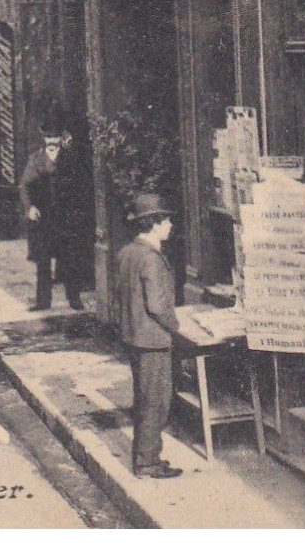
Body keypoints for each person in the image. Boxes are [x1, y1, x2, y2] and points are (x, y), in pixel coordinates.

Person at [116, 193, 183, 479]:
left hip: (134, 336)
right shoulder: (151, 259)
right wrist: (178, 327)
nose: (170, 225)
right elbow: (156, 305)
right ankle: (147, 461)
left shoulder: (127, 252)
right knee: (156, 400)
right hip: (152, 339)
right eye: (165, 219)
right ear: (154, 223)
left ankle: (146, 456)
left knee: (144, 399)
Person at [19, 126, 95, 312]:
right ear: (44, 139)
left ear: (61, 139)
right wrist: (30, 207)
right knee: (43, 261)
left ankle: (74, 298)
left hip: (66, 218)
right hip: (43, 218)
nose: (51, 143)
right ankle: (43, 301)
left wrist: (78, 211)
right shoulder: (35, 159)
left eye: (55, 139)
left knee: (70, 259)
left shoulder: (70, 159)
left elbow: (81, 187)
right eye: (48, 138)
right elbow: (24, 185)